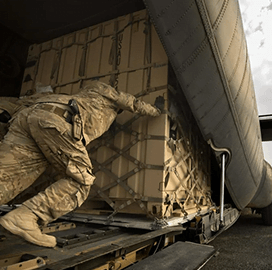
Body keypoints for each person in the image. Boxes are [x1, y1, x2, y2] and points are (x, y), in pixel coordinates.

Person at [0, 81, 162, 247]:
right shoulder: (102, 91)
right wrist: (157, 110)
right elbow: (133, 103)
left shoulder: (80, 99)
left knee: (6, 178)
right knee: (81, 181)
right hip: (56, 121)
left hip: (27, 118)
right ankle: (27, 217)